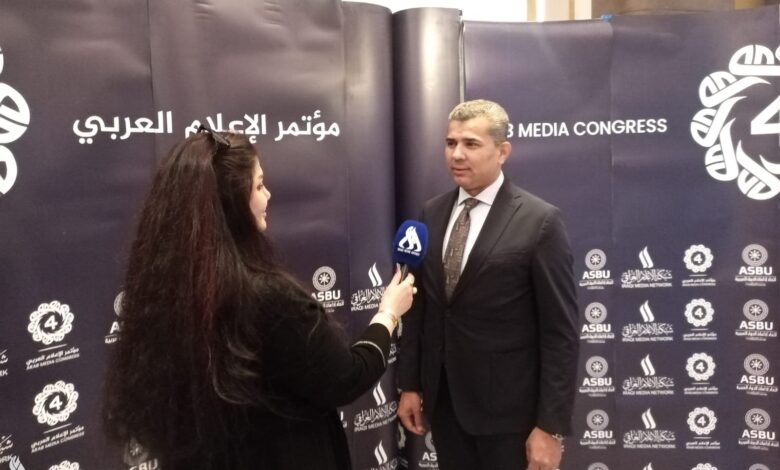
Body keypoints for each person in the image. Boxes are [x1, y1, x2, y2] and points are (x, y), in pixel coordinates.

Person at [103, 127, 416, 470]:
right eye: (259, 185)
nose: (268, 195)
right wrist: (388, 313)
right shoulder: (271, 299)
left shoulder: (168, 290)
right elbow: (347, 378)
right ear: (234, 200)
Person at [397, 99, 578, 470]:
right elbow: (419, 308)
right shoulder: (430, 213)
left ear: (502, 151)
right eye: (451, 143)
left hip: (512, 418)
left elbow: (560, 332)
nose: (457, 154)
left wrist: (550, 427)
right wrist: (410, 384)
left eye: (471, 144)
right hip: (445, 407)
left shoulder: (540, 221)